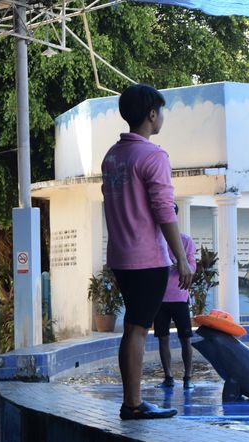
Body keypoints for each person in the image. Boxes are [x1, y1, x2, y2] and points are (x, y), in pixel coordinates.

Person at [101, 84, 193, 420]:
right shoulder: (153, 156)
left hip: (121, 257)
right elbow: (164, 210)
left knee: (132, 326)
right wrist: (180, 258)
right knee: (138, 328)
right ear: (152, 114)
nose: (161, 116)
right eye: (160, 111)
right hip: (147, 259)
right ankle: (133, 404)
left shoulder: (113, 156)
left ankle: (131, 401)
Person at [154, 204, 197, 390]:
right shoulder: (155, 240)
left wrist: (180, 266)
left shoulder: (185, 240)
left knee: (185, 338)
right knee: (162, 338)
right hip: (159, 298)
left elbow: (192, 266)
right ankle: (169, 376)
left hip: (179, 296)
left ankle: (188, 377)